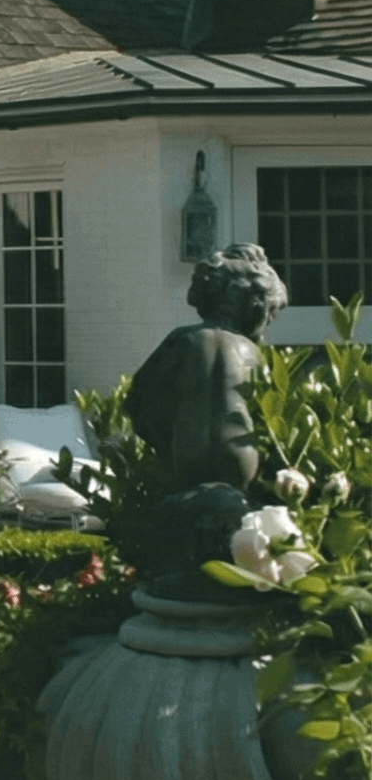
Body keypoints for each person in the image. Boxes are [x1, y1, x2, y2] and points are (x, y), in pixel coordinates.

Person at [127, 243, 288, 591]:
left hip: (187, 463)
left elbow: (139, 400)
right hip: (240, 467)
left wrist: (166, 441)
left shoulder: (183, 340)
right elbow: (268, 420)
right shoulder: (252, 354)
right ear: (256, 308)